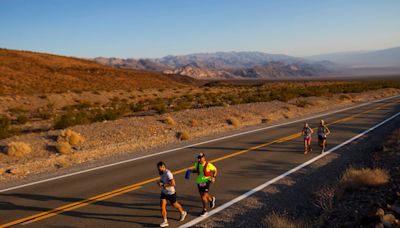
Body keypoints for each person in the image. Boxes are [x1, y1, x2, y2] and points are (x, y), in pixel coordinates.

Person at [156, 161, 187, 227]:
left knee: (175, 204)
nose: (158, 169)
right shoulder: (161, 173)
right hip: (164, 192)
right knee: (162, 206)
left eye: (159, 168)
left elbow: (173, 183)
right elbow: (162, 181)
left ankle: (183, 212)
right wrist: (160, 183)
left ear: (163, 167)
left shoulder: (168, 173)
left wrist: (163, 185)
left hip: (171, 193)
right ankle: (165, 221)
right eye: (158, 168)